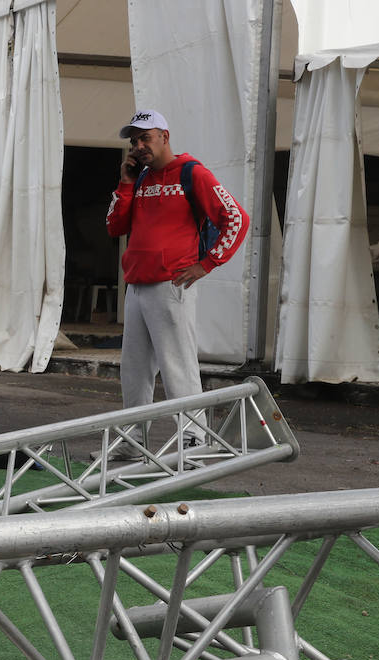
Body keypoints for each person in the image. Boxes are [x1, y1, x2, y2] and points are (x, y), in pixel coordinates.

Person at [105, 109, 249, 450]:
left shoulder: (191, 172)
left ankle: (194, 437)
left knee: (177, 365)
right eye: (135, 141)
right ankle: (132, 439)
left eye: (146, 138)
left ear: (164, 137)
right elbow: (115, 226)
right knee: (134, 370)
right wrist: (125, 183)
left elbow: (236, 218)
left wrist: (207, 263)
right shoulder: (139, 179)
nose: (140, 146)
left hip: (171, 285)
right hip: (138, 285)